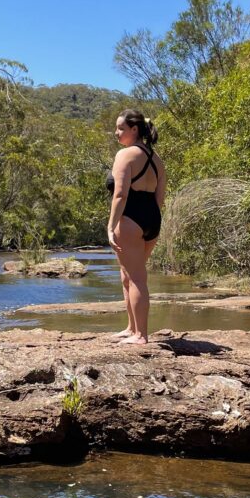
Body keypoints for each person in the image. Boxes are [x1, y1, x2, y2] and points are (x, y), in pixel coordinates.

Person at [105, 109, 166, 344]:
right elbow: (160, 197)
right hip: (151, 219)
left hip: (130, 218)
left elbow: (120, 194)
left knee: (137, 278)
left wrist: (112, 226)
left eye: (121, 128)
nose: (117, 133)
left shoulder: (126, 155)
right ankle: (131, 328)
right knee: (127, 276)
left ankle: (141, 335)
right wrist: (150, 220)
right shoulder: (157, 159)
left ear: (135, 129)